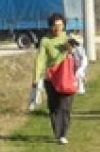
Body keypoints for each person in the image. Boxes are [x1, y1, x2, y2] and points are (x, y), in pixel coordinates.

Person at [31, 12, 80, 144]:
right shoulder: (45, 41)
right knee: (54, 106)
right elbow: (40, 59)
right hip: (51, 77)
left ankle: (64, 133)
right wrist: (36, 78)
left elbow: (78, 57)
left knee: (66, 106)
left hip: (66, 76)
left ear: (64, 26)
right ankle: (58, 133)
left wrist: (70, 49)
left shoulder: (68, 38)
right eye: (55, 25)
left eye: (60, 25)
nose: (57, 28)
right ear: (50, 27)